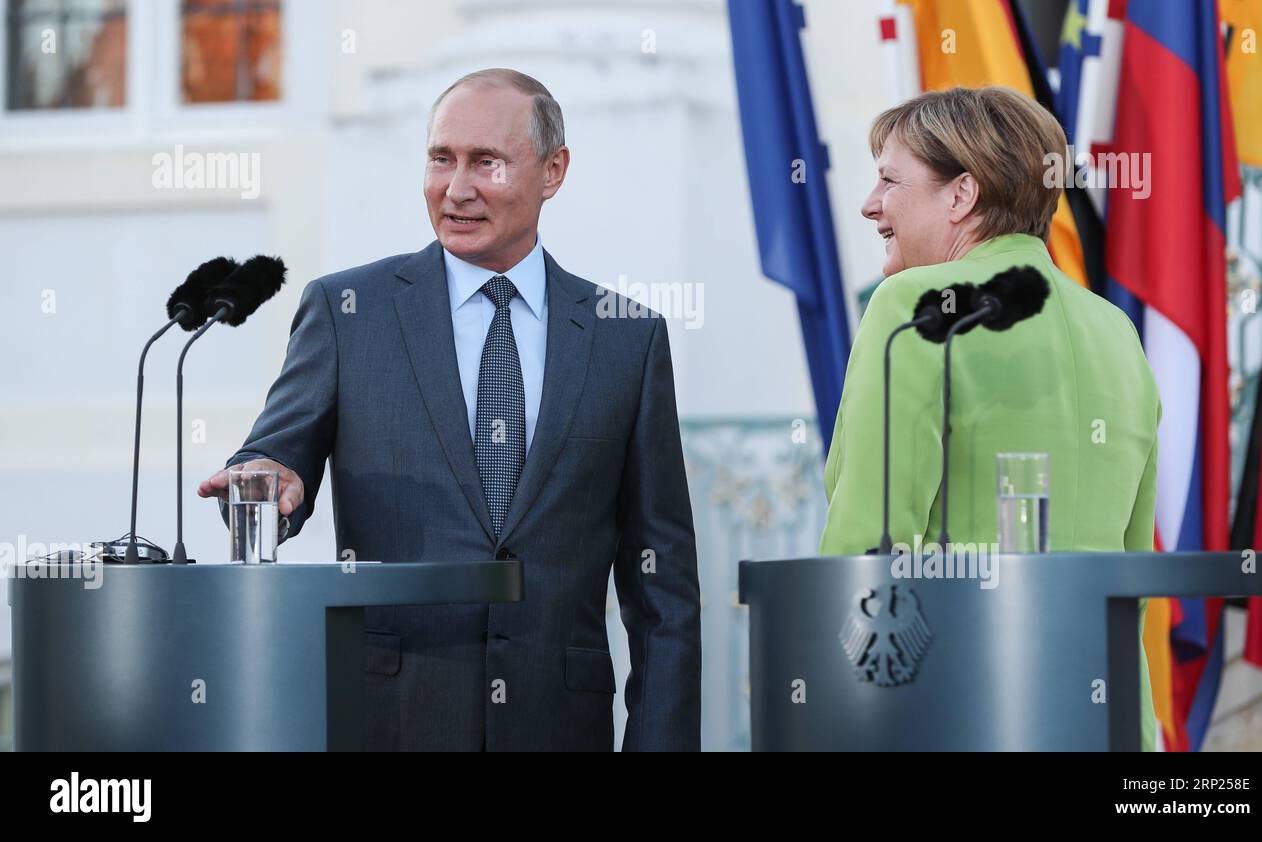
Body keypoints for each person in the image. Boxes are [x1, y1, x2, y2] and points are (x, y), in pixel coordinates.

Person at [199, 68, 701, 751]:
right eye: (441, 159)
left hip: (558, 728)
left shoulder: (627, 339)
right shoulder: (348, 314)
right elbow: (269, 466)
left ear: (553, 171)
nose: (456, 189)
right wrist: (260, 487)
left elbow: (663, 589)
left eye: (486, 162)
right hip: (391, 721)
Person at [819, 85, 1160, 751]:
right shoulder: (1117, 330)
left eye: (889, 178)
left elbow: (871, 549)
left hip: (970, 709)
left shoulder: (913, 305)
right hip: (1113, 722)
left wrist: (826, 706)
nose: (870, 204)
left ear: (961, 195)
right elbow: (1135, 570)